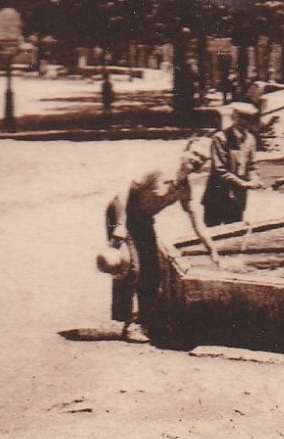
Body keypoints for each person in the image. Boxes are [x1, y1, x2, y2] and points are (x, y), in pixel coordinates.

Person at [104, 138, 222, 341]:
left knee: (153, 270)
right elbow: (122, 193)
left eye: (201, 159)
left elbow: (196, 220)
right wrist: (121, 226)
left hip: (143, 220)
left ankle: (143, 322)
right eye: (194, 154)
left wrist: (212, 249)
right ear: (185, 151)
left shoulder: (185, 189)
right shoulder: (159, 170)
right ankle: (123, 321)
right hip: (121, 213)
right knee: (131, 268)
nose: (196, 160)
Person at [202, 102, 266, 227]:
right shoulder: (220, 138)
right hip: (218, 196)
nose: (244, 122)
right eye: (241, 117)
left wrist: (255, 179)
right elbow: (220, 170)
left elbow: (252, 166)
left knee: (235, 233)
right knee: (213, 233)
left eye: (248, 118)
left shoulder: (250, 139)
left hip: (238, 197)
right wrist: (242, 183)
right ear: (233, 117)